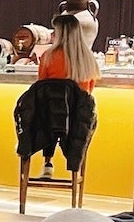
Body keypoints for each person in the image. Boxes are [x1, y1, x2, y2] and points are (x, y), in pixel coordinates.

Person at [33, 13, 100, 177]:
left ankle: (47, 162)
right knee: (83, 118)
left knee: (47, 114)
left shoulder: (48, 56)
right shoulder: (88, 59)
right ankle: (76, 165)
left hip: (50, 119)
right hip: (79, 121)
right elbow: (89, 92)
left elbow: (41, 86)